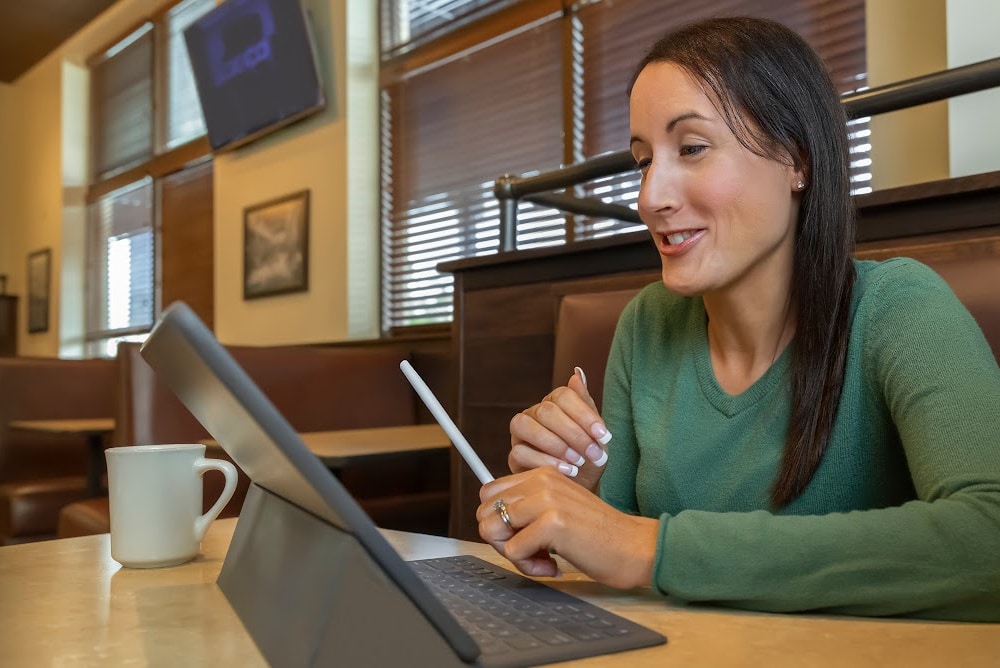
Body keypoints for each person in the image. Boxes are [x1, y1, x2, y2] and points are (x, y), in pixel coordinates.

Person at [475, 16, 1000, 621]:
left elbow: (988, 532)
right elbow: (613, 567)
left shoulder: (898, 307)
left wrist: (648, 548)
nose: (650, 197)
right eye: (643, 161)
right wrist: (571, 493)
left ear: (796, 159)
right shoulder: (647, 324)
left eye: (692, 148)